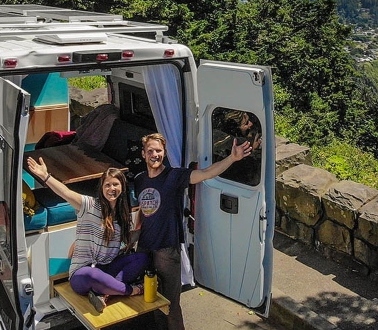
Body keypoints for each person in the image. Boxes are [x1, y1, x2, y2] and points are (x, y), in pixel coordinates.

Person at [134, 133, 253, 330]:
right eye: (150, 151)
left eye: (158, 150)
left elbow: (206, 173)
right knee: (150, 298)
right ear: (143, 154)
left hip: (166, 250)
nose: (154, 154)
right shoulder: (140, 180)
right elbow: (142, 210)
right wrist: (135, 235)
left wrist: (232, 158)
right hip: (145, 247)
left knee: (171, 304)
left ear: (164, 153)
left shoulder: (174, 176)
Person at [26, 156, 149, 313]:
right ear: (102, 188)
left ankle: (105, 292)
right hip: (83, 273)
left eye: (116, 184)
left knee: (141, 258)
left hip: (107, 268)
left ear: (122, 187)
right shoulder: (89, 205)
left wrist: (147, 221)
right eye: (108, 185)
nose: (112, 188)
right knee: (93, 274)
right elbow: (65, 192)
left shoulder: (122, 213)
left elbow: (129, 239)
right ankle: (130, 290)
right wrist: (45, 176)